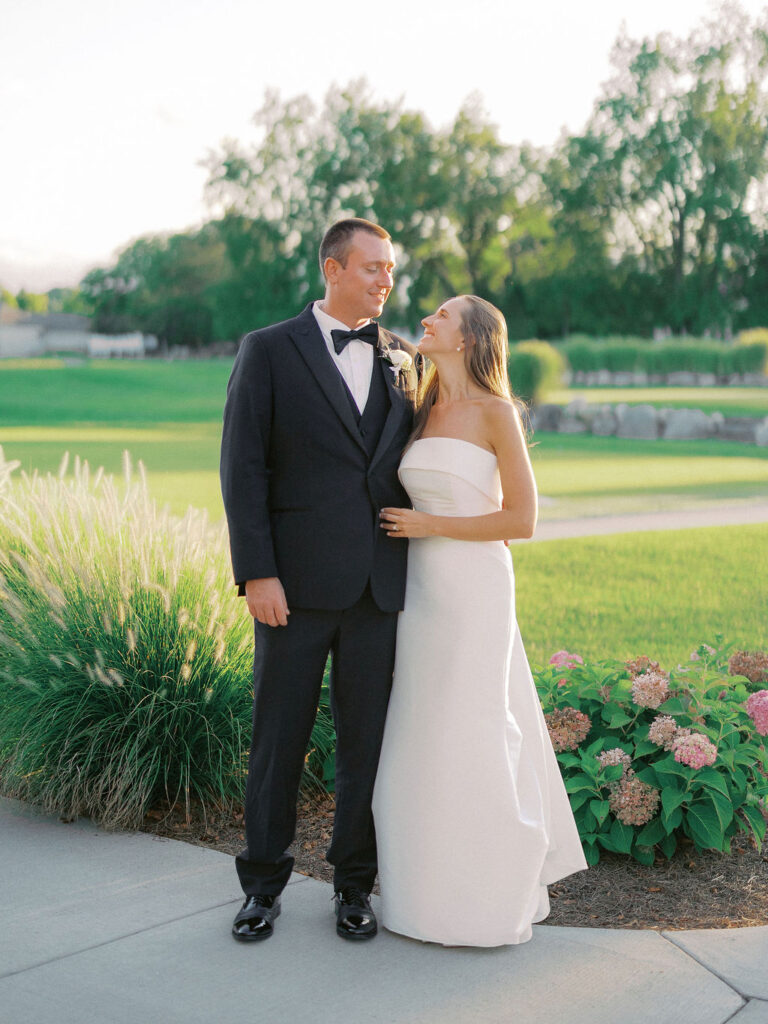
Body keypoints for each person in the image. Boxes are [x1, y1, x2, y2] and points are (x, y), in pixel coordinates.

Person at [220, 218, 418, 942]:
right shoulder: (268, 350)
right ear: (333, 269)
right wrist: (257, 574)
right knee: (279, 740)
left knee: (366, 745)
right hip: (292, 591)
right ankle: (262, 886)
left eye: (390, 269)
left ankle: (353, 887)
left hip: (378, 590)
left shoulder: (403, 357)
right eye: (372, 268)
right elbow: (243, 468)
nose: (385, 281)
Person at [373, 295, 587, 947]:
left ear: (468, 338)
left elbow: (522, 520)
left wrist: (430, 525)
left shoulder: (497, 414)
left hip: (474, 590)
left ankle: (486, 897)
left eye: (442, 314)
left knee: (474, 728)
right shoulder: (415, 406)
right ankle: (419, 895)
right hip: (419, 594)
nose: (427, 320)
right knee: (420, 730)